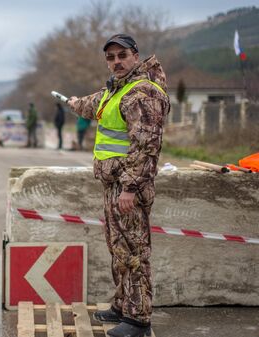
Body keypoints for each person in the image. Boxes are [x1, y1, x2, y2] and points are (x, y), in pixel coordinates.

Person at [66, 34, 170, 337]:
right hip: (114, 185)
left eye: (122, 55)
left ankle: (138, 319)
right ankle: (123, 306)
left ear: (135, 56)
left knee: (135, 252)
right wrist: (72, 103)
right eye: (110, 58)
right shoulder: (118, 89)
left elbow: (147, 147)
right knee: (119, 249)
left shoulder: (142, 94)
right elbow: (91, 104)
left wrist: (129, 189)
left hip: (129, 189)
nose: (116, 62)